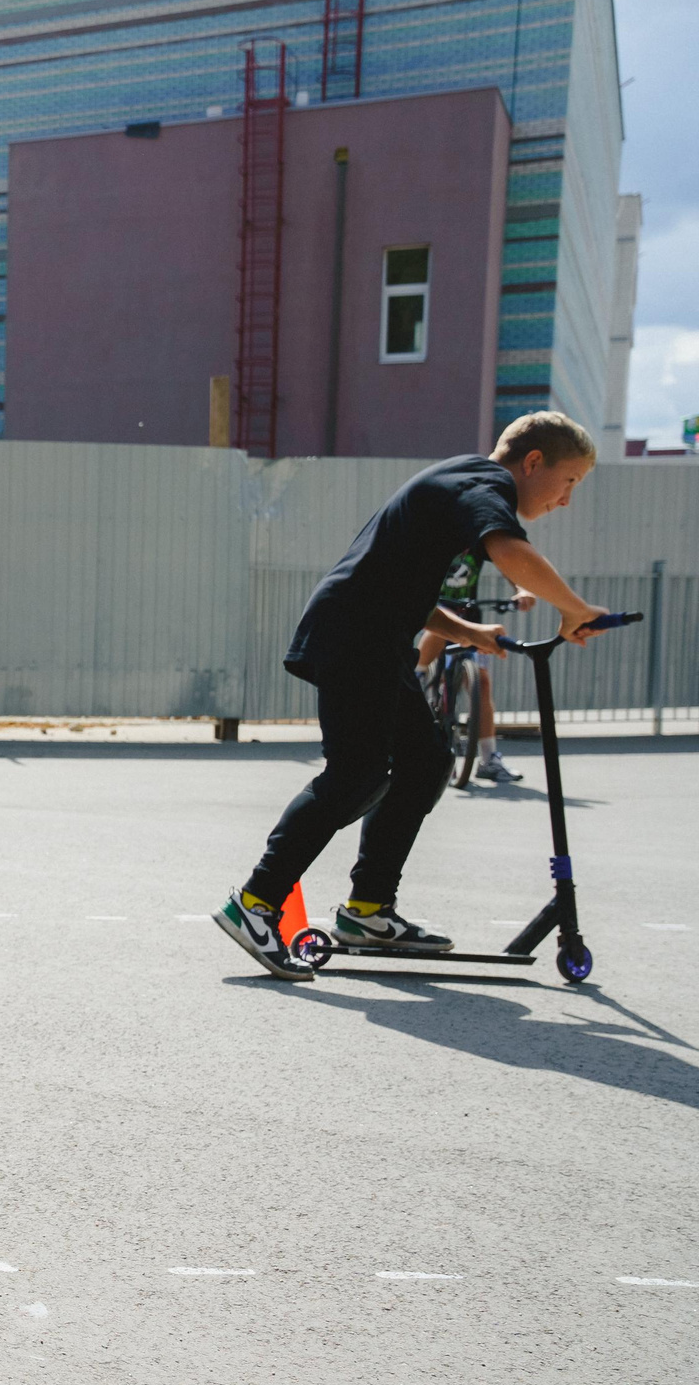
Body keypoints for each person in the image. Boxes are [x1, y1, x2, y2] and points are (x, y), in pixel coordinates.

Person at [217, 411, 611, 979]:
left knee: (426, 761)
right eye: (570, 481)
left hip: (372, 637)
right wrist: (574, 607)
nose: (567, 499)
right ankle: (255, 904)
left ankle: (368, 910)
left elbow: (403, 588)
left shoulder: (459, 485)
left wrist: (469, 632)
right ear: (533, 463)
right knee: (356, 773)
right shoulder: (484, 485)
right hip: (356, 638)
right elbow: (510, 550)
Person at [416, 551, 536, 784]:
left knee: (481, 683)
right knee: (434, 634)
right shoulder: (434, 537)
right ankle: (416, 676)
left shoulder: (478, 539)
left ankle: (489, 759)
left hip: (471, 621)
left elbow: (507, 561)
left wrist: (521, 589)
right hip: (438, 616)